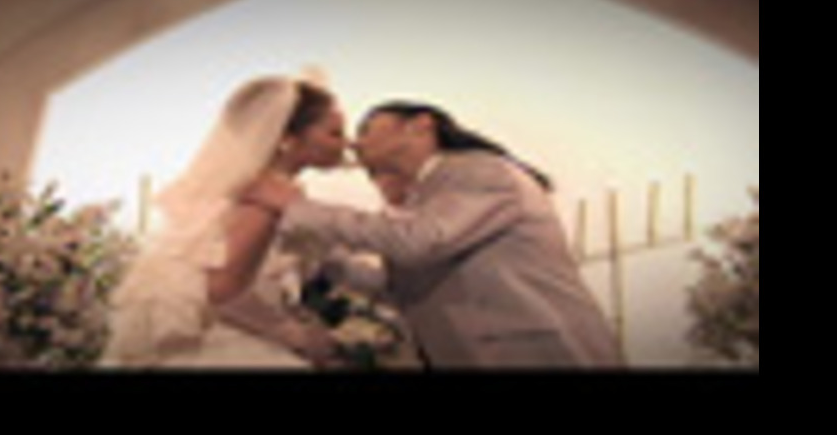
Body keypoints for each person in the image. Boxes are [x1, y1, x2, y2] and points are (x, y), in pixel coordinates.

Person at [243, 101, 624, 368]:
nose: (355, 144)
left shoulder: (481, 171)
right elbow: (399, 287)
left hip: (534, 351)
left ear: (421, 125)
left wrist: (299, 207)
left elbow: (418, 242)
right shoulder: (423, 198)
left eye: (367, 130)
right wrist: (324, 257)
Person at [100, 74, 348, 369]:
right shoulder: (269, 195)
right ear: (286, 140)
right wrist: (292, 334)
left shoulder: (250, 185)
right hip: (225, 336)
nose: (346, 143)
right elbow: (221, 288)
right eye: (335, 133)